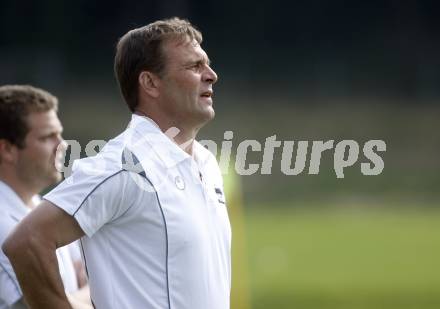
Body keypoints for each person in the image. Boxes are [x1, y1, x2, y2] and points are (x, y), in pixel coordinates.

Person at [3, 17, 231, 309]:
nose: (211, 75)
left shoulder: (207, 163)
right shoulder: (125, 165)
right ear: (150, 82)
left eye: (206, 64)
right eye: (194, 66)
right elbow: (26, 242)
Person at [0, 85, 92, 309]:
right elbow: (44, 305)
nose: (63, 144)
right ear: (7, 150)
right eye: (47, 137)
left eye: (59, 133)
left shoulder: (41, 208)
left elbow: (89, 276)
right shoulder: (2, 224)